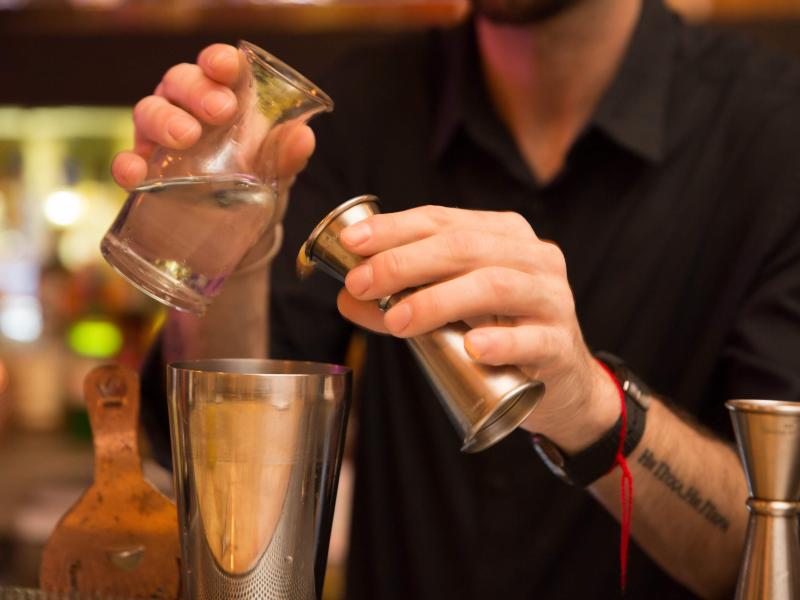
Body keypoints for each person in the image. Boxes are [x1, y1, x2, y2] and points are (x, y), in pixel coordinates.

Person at [114, 0, 800, 597]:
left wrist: (591, 408)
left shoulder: (775, 137)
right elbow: (219, 468)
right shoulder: (362, 104)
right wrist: (224, 256)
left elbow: (776, 551)